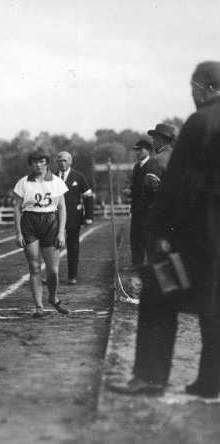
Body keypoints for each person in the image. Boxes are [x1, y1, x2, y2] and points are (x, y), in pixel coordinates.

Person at [110, 61, 220, 398]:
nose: (191, 94)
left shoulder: (201, 121)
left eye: (192, 87)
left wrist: (159, 232)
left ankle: (151, 377)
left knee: (159, 287)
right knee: (214, 303)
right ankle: (210, 383)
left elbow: (176, 185)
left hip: (200, 232)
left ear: (204, 88)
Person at [13, 147, 68, 318]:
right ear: (31, 164)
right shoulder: (23, 182)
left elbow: (62, 208)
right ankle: (39, 306)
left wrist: (61, 232)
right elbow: (16, 208)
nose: (38, 165)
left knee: (53, 271)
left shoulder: (57, 181)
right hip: (30, 222)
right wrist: (18, 233)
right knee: (35, 267)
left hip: (50, 222)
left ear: (46, 163)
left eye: (41, 162)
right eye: (35, 162)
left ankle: (52, 297)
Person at [56, 151, 94, 285]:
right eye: (60, 160)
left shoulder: (79, 176)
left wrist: (89, 217)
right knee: (53, 247)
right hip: (55, 218)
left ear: (70, 162)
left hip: (73, 217)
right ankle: (53, 275)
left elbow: (88, 196)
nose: (63, 163)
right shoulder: (52, 177)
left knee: (73, 247)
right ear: (57, 162)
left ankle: (72, 276)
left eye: (65, 160)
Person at [122, 139, 155, 269]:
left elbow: (150, 187)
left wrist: (133, 191)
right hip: (136, 209)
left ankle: (152, 268)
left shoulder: (153, 164)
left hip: (148, 210)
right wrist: (130, 191)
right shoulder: (137, 167)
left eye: (140, 149)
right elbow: (135, 186)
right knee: (136, 239)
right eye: (136, 150)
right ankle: (137, 267)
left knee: (149, 240)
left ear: (148, 150)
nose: (137, 152)